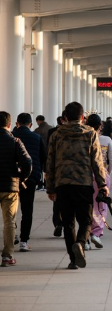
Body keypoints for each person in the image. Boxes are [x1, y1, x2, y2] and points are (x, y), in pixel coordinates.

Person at [46, 102, 108, 270]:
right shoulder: (90, 134)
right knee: (86, 220)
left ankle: (73, 260)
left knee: (68, 223)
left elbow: (49, 162)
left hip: (62, 184)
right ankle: (80, 243)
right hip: (83, 183)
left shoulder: (56, 134)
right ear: (82, 117)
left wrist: (50, 188)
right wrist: (102, 185)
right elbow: (97, 161)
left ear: (65, 117)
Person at [0, 111, 32, 267]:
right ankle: (7, 256)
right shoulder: (15, 141)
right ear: (9, 124)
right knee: (9, 222)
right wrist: (22, 178)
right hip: (10, 187)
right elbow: (27, 162)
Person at [12, 113, 46, 252]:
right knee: (27, 210)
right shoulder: (36, 137)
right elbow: (43, 157)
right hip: (30, 178)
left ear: (16, 123)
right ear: (31, 124)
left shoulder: (10, 137)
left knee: (10, 210)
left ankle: (12, 235)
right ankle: (24, 241)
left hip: (11, 178)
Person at [85, 114, 112, 250]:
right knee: (101, 204)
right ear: (100, 126)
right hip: (102, 175)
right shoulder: (106, 139)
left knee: (86, 205)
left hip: (85, 175)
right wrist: (107, 172)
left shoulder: (83, 138)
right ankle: (96, 233)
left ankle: (84, 237)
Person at [47, 114, 65, 237]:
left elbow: (50, 155)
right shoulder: (86, 132)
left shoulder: (53, 132)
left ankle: (58, 223)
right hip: (78, 177)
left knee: (57, 203)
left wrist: (49, 186)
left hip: (58, 174)